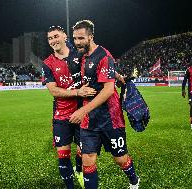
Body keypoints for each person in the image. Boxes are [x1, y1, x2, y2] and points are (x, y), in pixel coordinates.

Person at [70, 20, 140, 189]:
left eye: (81, 38)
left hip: (110, 118)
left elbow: (108, 90)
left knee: (120, 158)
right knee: (88, 159)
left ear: (91, 37)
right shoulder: (82, 54)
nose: (77, 42)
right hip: (89, 120)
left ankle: (134, 181)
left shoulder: (103, 55)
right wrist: (117, 75)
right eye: (75, 38)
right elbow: (100, 71)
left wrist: (82, 110)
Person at [42, 25, 97, 189]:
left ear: (65, 36)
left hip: (82, 113)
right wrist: (77, 92)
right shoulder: (47, 63)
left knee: (84, 152)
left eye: (56, 36)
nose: (53, 40)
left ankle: (79, 170)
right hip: (61, 116)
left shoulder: (79, 53)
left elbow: (98, 64)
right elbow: (53, 90)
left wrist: (117, 77)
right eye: (50, 38)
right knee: (63, 157)